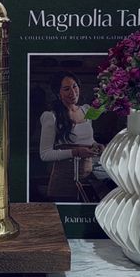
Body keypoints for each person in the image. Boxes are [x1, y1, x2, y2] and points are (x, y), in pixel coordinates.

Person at [39, 71, 103, 201]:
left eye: (75, 86)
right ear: (58, 93)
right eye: (66, 89)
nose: (73, 93)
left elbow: (88, 139)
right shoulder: (51, 116)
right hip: (63, 182)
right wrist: (76, 152)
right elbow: (45, 154)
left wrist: (96, 145)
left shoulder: (86, 110)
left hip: (87, 179)